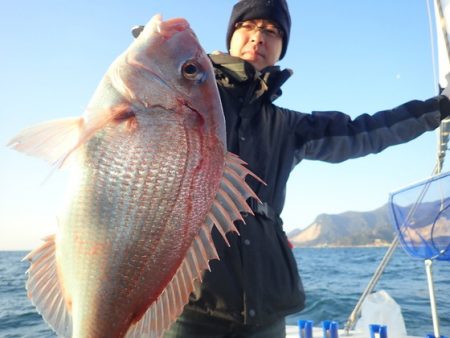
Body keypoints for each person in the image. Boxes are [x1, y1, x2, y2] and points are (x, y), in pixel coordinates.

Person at [136, 0, 450, 337]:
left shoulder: (288, 127)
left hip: (268, 308)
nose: (259, 37)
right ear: (231, 35)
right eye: (248, 26)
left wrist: (440, 107)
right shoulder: (187, 101)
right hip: (186, 306)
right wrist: (158, 60)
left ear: (282, 47)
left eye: (272, 31)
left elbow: (365, 130)